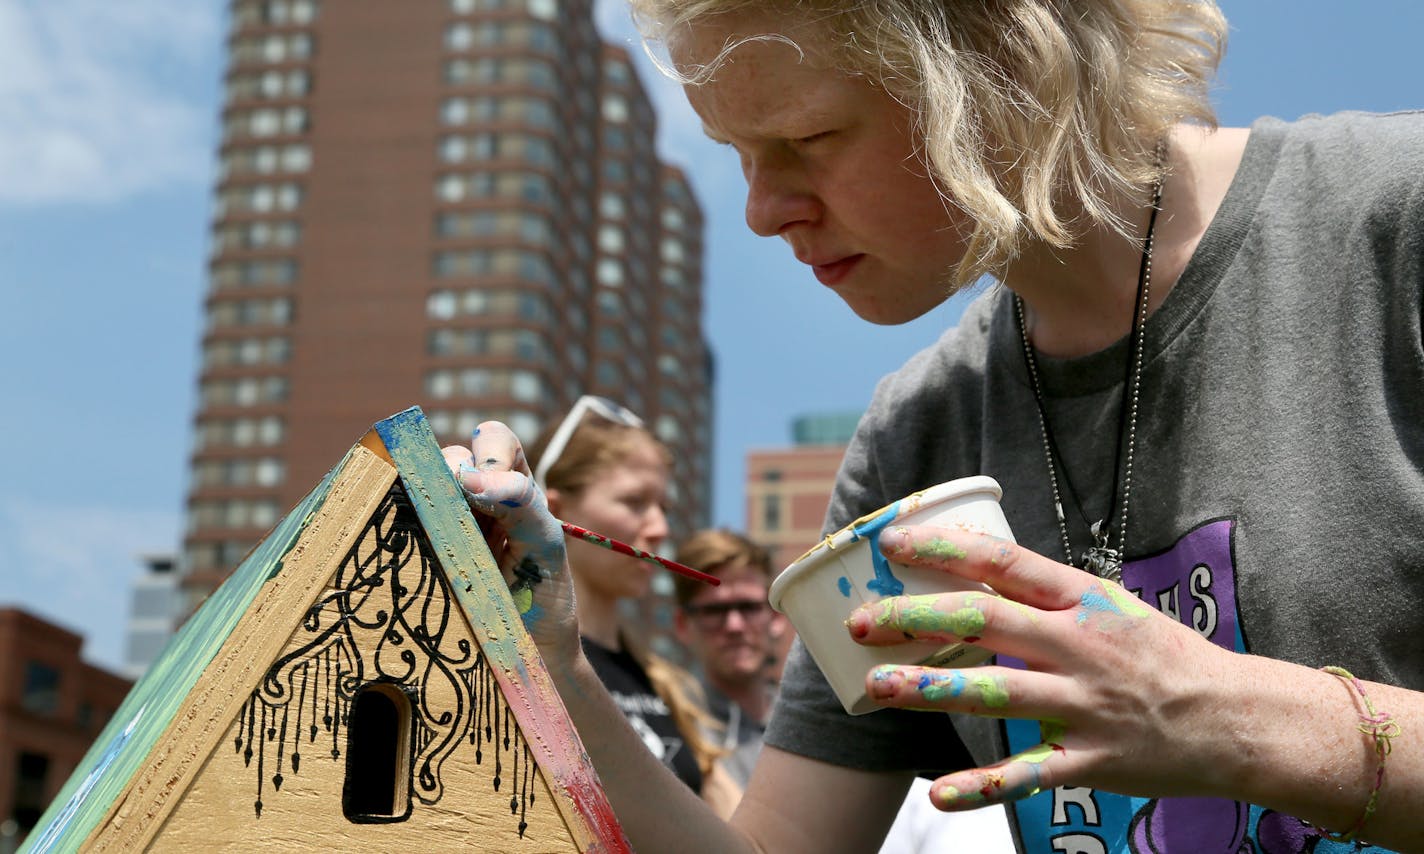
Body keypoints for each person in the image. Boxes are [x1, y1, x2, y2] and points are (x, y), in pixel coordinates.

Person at [446, 1, 1424, 851]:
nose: (758, 210)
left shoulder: (1393, 223)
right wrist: (554, 669)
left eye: (806, 139)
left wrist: (1224, 715)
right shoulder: (914, 435)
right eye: (736, 156)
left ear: (995, 56)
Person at [448, 394, 728, 804]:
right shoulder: (507, 660)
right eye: (635, 502)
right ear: (557, 510)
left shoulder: (671, 688)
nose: (660, 528)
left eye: (663, 506)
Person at [672, 529, 784, 797]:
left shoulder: (813, 722)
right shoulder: (671, 731)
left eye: (748, 607)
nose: (734, 626)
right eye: (714, 610)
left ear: (777, 617)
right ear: (683, 625)